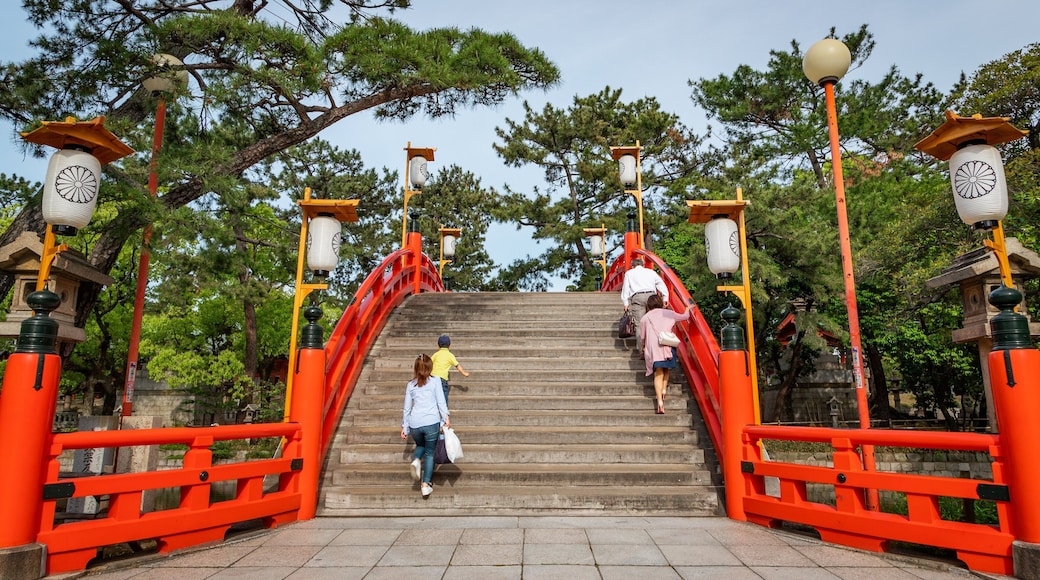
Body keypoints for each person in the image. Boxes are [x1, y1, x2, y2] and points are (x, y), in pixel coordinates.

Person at [401, 353, 451, 498]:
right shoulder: (435, 381)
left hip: (415, 423)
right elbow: (441, 401)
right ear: (430, 367)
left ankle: (416, 460)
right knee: (430, 453)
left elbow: (407, 408)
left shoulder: (411, 385)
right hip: (431, 421)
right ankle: (425, 484)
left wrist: (405, 426)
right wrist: (446, 417)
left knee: (420, 446)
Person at [639, 294, 692, 415]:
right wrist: (687, 309)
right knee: (666, 369)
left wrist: (643, 347)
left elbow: (642, 337)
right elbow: (685, 316)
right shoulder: (669, 313)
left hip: (654, 347)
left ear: (648, 305)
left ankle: (660, 402)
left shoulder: (645, 318)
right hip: (668, 344)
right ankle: (663, 389)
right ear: (661, 303)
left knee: (658, 372)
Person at [621, 258, 668, 352]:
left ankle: (642, 350)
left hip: (637, 298)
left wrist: (625, 303)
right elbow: (660, 284)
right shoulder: (651, 272)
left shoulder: (629, 273)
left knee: (639, 325)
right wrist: (665, 297)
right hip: (652, 297)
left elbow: (625, 289)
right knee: (654, 322)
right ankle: (657, 349)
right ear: (643, 265)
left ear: (632, 266)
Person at [431, 334, 470, 408]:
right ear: (449, 346)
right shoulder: (450, 355)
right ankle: (444, 408)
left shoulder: (435, 354)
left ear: (438, 346)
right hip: (442, 379)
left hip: (432, 378)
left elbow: (429, 363)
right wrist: (464, 373)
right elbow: (457, 365)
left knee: (433, 393)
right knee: (444, 393)